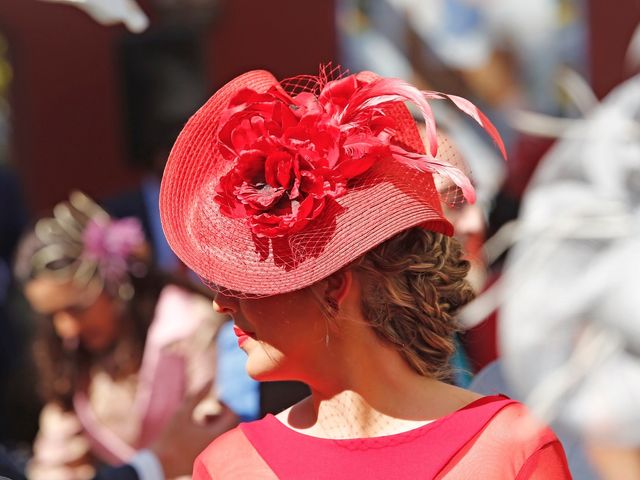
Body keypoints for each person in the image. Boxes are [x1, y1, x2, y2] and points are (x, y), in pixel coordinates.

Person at [159, 67, 571, 478]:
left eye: (253, 282)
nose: (221, 303)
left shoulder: (510, 449)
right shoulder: (228, 466)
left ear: (334, 284)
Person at [14, 192, 239, 480]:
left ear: (116, 282)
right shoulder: (68, 353)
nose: (66, 328)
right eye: (51, 316)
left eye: (76, 308)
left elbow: (217, 434)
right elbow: (53, 463)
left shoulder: (187, 325)